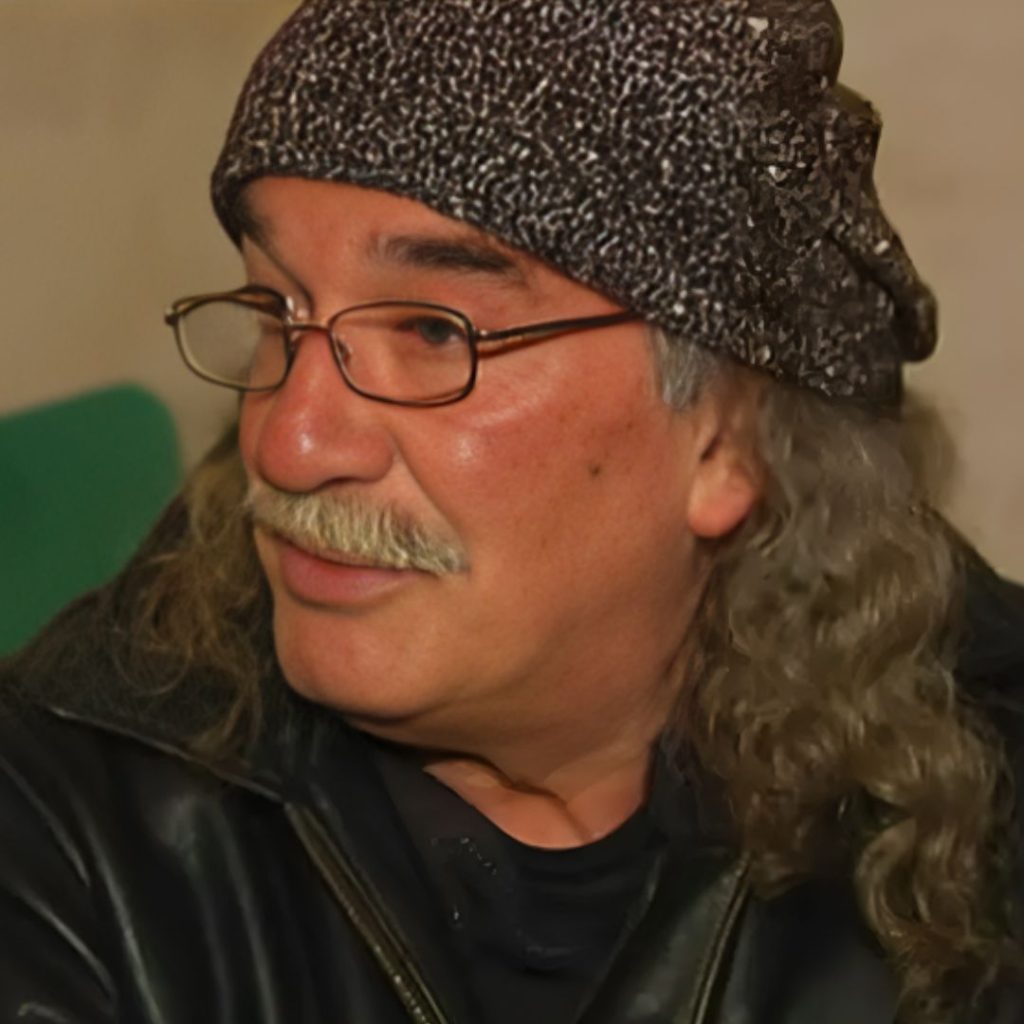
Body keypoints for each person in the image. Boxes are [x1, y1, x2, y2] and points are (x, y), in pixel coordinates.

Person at [1, 0, 1022, 1021]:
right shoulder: (69, 827)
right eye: (277, 311)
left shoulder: (990, 810)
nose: (288, 442)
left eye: (433, 333)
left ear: (730, 438)